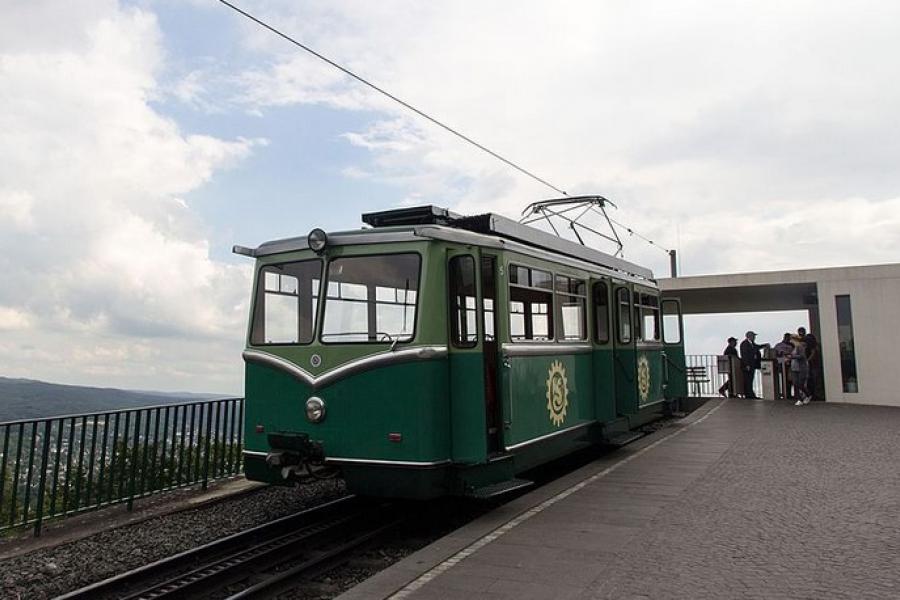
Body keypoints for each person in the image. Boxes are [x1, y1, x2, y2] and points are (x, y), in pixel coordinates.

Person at [739, 331, 762, 399]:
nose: (754, 337)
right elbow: (744, 355)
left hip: (752, 365)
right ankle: (750, 395)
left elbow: (757, 347)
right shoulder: (744, 344)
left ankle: (749, 394)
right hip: (748, 365)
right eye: (753, 336)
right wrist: (747, 365)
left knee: (750, 380)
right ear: (749, 336)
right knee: (748, 380)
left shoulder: (751, 344)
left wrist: (764, 345)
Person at [799, 327, 820, 401]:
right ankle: (812, 395)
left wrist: (807, 360)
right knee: (812, 379)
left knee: (810, 379)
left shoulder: (807, 340)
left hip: (810, 363)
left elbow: (812, 352)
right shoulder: (808, 340)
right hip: (811, 363)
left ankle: (811, 395)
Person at [790, 334, 810, 405]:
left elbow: (802, 356)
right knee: (795, 384)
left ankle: (807, 395)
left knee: (800, 384)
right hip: (795, 368)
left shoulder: (800, 347)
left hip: (801, 368)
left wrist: (792, 357)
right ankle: (799, 399)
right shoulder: (795, 347)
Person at [773, 333, 794, 400]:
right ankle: (785, 394)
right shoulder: (778, 346)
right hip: (783, 365)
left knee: (789, 380)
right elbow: (776, 356)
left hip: (790, 365)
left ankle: (788, 394)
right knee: (785, 380)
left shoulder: (791, 345)